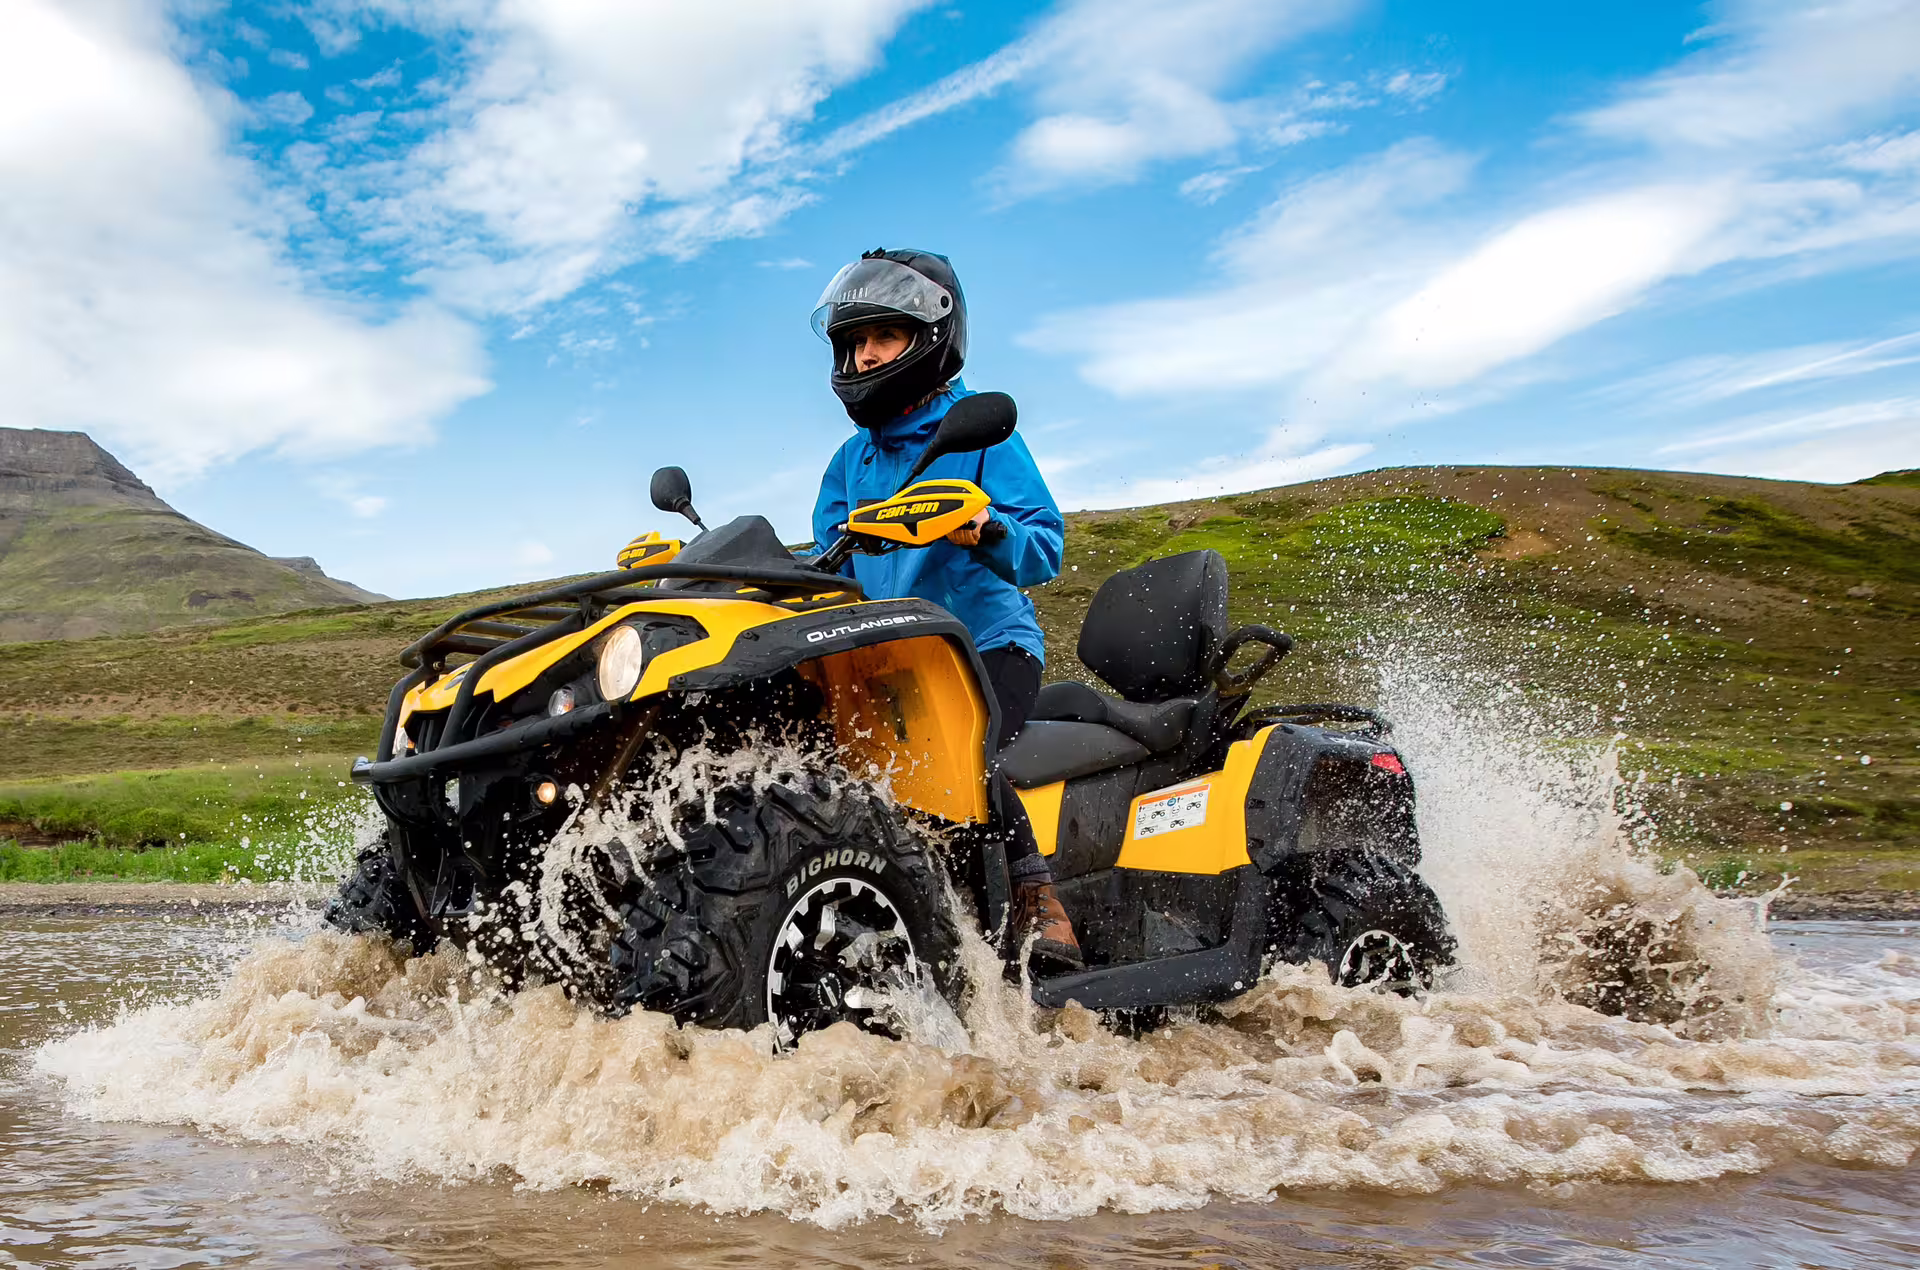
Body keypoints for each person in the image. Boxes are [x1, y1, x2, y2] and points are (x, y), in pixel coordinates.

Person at [809, 248, 1082, 972]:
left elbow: (1044, 547)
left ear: (930, 337)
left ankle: (1037, 902)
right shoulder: (848, 467)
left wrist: (990, 530)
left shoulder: (980, 434)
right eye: (853, 342)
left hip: (985, 645)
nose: (864, 357)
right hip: (888, 658)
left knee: (962, 751)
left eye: (881, 338)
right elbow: (825, 565)